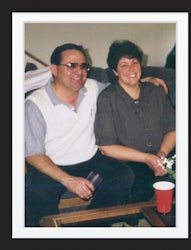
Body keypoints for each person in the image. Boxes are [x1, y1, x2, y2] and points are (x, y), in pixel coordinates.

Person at [25, 43, 168, 227]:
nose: (79, 71)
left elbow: (122, 86)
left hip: (91, 160)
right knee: (36, 195)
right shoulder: (35, 104)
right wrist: (68, 180)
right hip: (51, 165)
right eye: (71, 66)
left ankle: (89, 229)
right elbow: (33, 154)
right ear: (54, 69)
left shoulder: (93, 88)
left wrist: (144, 81)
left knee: (123, 175)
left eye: (83, 66)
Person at [94, 40, 176, 206]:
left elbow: (173, 128)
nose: (131, 69)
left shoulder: (156, 91)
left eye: (134, 63)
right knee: (139, 181)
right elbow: (106, 147)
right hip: (130, 161)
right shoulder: (107, 99)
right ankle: (130, 226)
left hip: (163, 155)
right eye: (123, 65)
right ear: (115, 71)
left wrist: (161, 154)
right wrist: (147, 158)